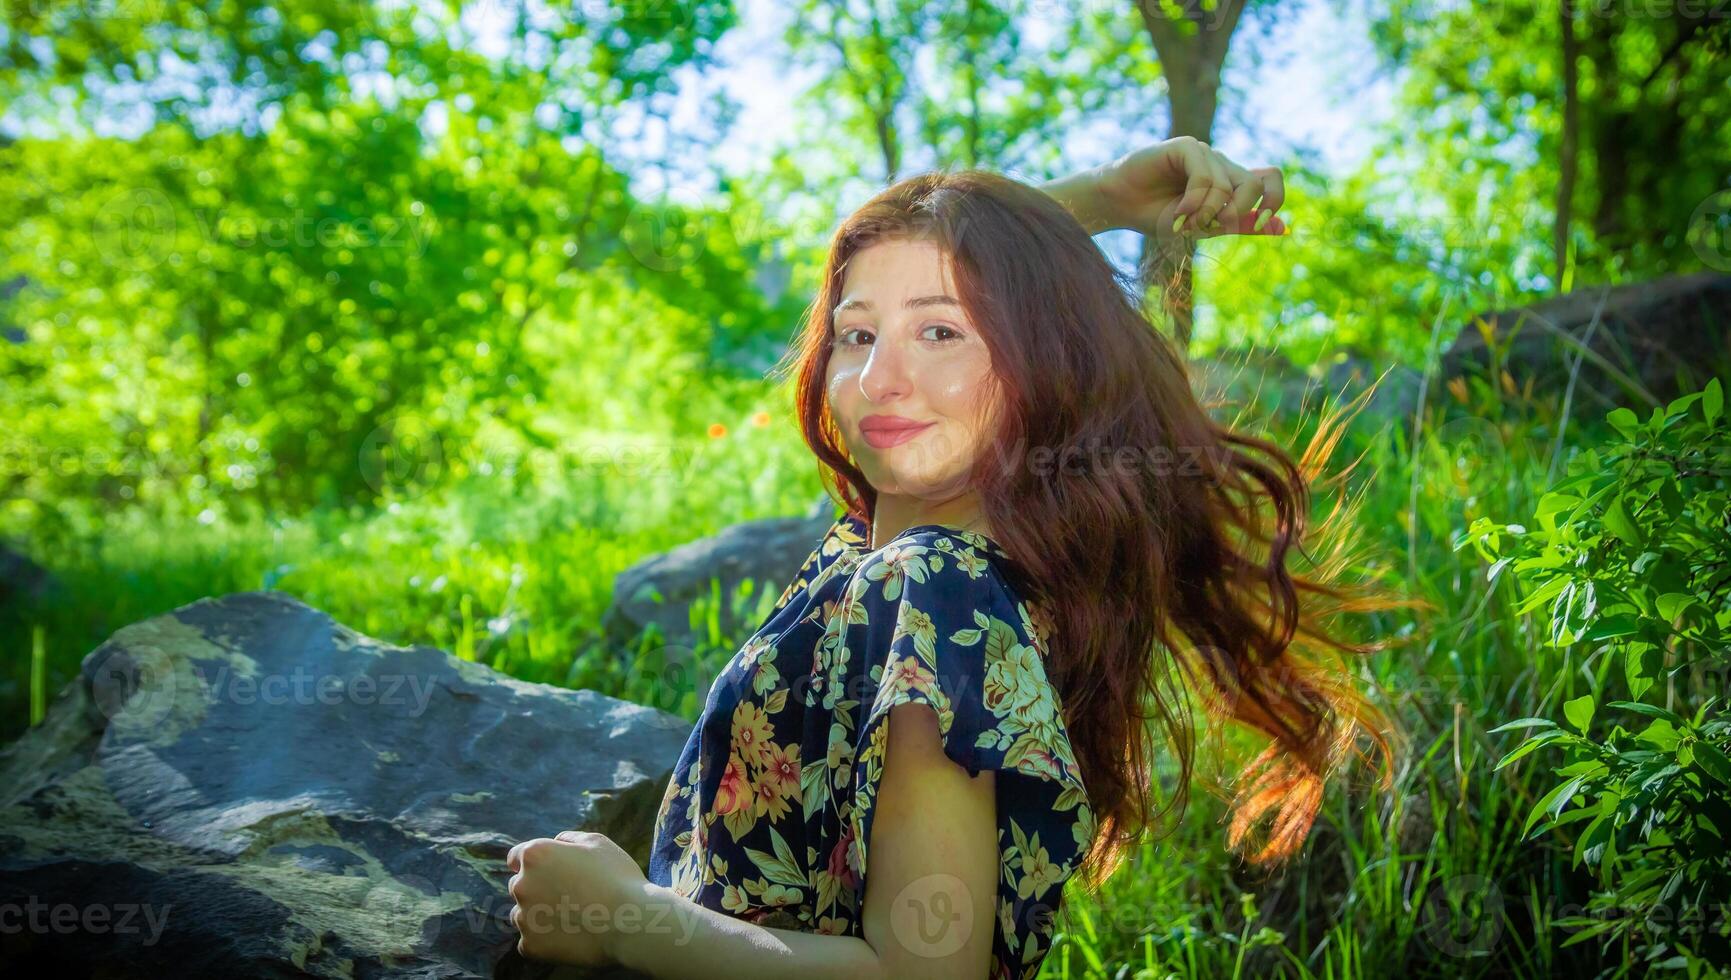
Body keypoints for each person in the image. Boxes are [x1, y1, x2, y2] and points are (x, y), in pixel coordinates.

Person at [503, 138, 1395, 979]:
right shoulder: (898, 551)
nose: (880, 376)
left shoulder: (933, 586)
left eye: (941, 335)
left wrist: (626, 922)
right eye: (857, 335)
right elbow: (936, 263)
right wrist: (1107, 200)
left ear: (1044, 362)